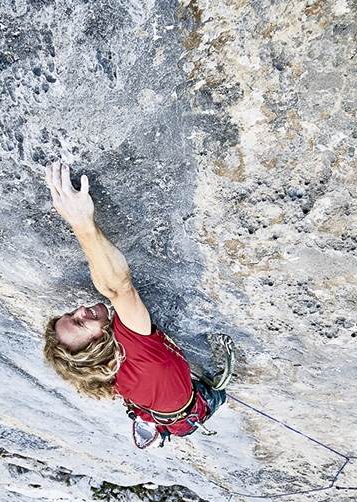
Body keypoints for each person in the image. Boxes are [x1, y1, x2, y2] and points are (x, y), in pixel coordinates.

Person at [42, 160, 231, 448]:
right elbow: (119, 288)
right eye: (81, 322)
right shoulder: (139, 353)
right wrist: (81, 223)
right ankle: (177, 420)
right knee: (212, 397)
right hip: (186, 404)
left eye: (71, 314)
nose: (80, 309)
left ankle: (154, 423)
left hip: (153, 402)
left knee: (155, 406)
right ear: (101, 352)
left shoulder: (109, 366)